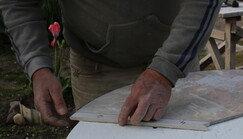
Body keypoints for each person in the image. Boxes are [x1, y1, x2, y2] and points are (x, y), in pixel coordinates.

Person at [0, 0, 221, 126]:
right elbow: (18, 3)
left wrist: (166, 70)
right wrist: (37, 66)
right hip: (97, 68)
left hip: (175, 62)